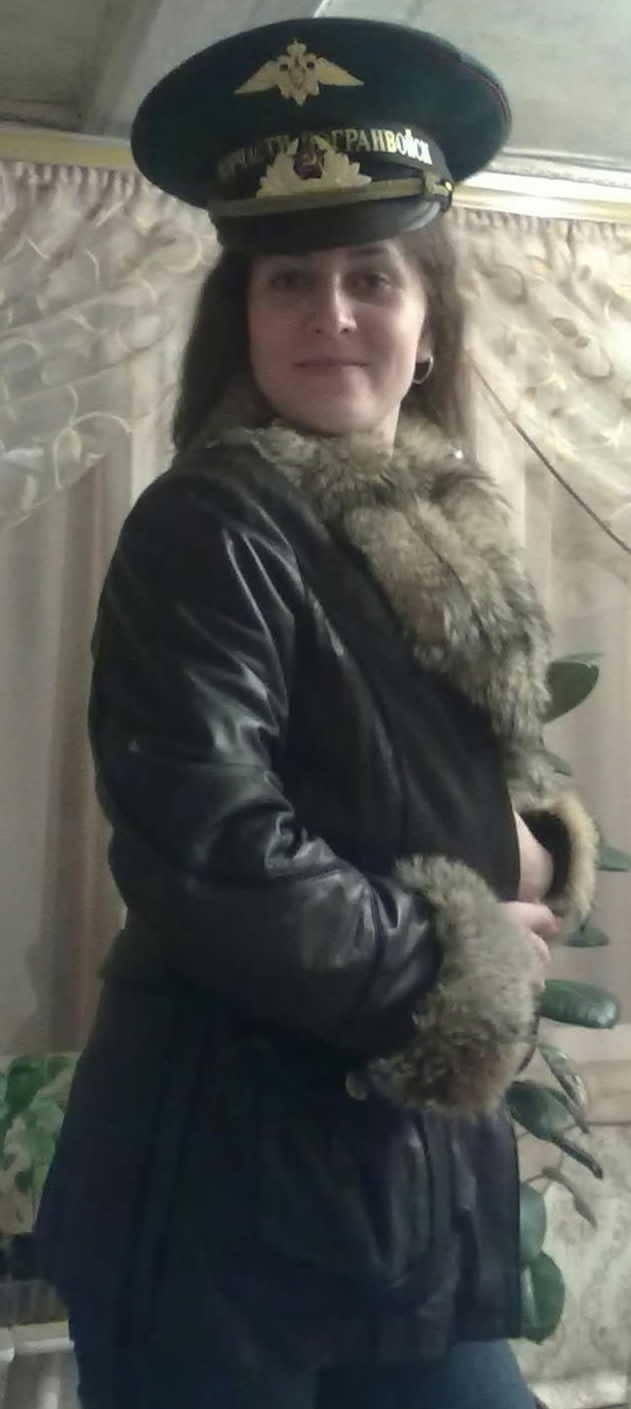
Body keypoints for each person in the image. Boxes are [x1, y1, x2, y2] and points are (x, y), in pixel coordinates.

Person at [35, 16, 599, 1409]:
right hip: (221, 1196)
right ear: (244, 317)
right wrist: (475, 947)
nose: (332, 312)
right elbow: (214, 850)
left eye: (370, 277)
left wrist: (535, 841)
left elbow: (448, 781)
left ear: (427, 328)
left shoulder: (450, 537)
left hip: (404, 1182)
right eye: (290, 278)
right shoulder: (213, 521)